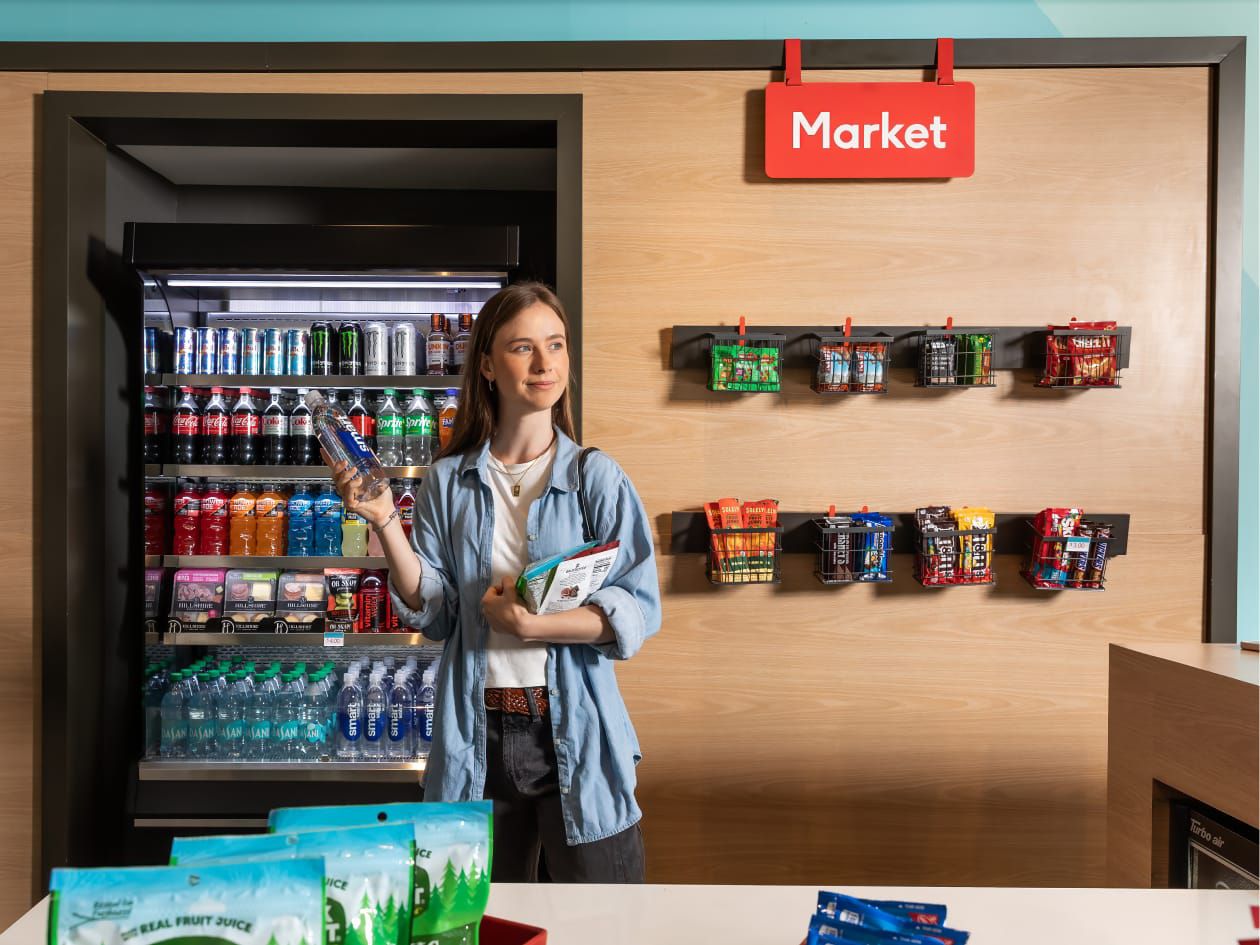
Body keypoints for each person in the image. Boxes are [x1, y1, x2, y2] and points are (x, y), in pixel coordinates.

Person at [323, 282, 661, 883]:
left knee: (604, 922)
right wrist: (384, 522)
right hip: (474, 731)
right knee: (478, 920)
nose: (545, 364)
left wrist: (536, 625)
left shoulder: (596, 477)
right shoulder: (448, 480)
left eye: (555, 345)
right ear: (486, 362)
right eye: (523, 348)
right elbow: (437, 611)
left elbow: (636, 607)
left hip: (577, 732)